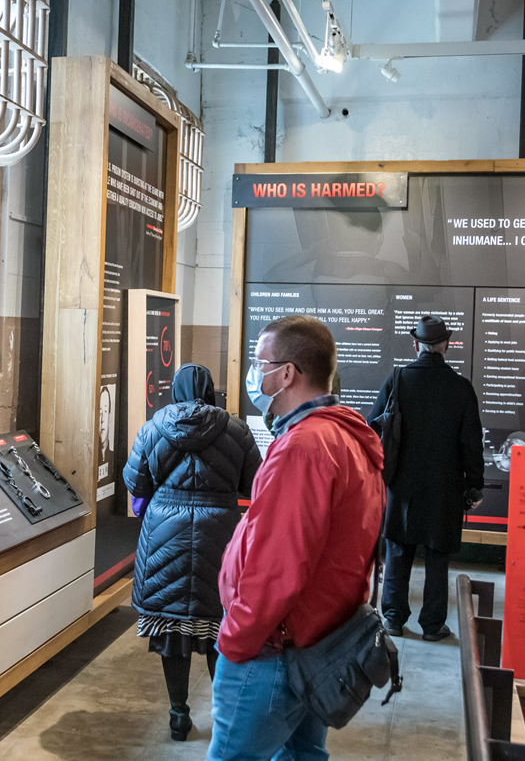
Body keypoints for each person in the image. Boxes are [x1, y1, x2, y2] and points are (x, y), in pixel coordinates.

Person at [208, 315, 385, 761]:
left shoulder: (303, 448)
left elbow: (277, 566)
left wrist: (237, 640)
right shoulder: (344, 437)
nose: (254, 373)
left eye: (259, 362)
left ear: (287, 373)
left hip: (273, 652)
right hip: (317, 643)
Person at [123, 363, 261, 741]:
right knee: (219, 628)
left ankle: (178, 716)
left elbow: (135, 481)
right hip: (220, 538)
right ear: (212, 390)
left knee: (173, 631)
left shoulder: (153, 428)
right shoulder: (236, 430)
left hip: (166, 536)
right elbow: (255, 480)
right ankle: (223, 718)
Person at [368, 315, 484, 642]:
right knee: (437, 557)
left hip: (402, 484)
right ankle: (432, 625)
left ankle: (392, 618)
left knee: (398, 553)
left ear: (415, 344)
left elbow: (372, 425)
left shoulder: (398, 380)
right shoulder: (461, 388)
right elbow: (471, 442)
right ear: (447, 345)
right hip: (445, 486)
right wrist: (473, 483)